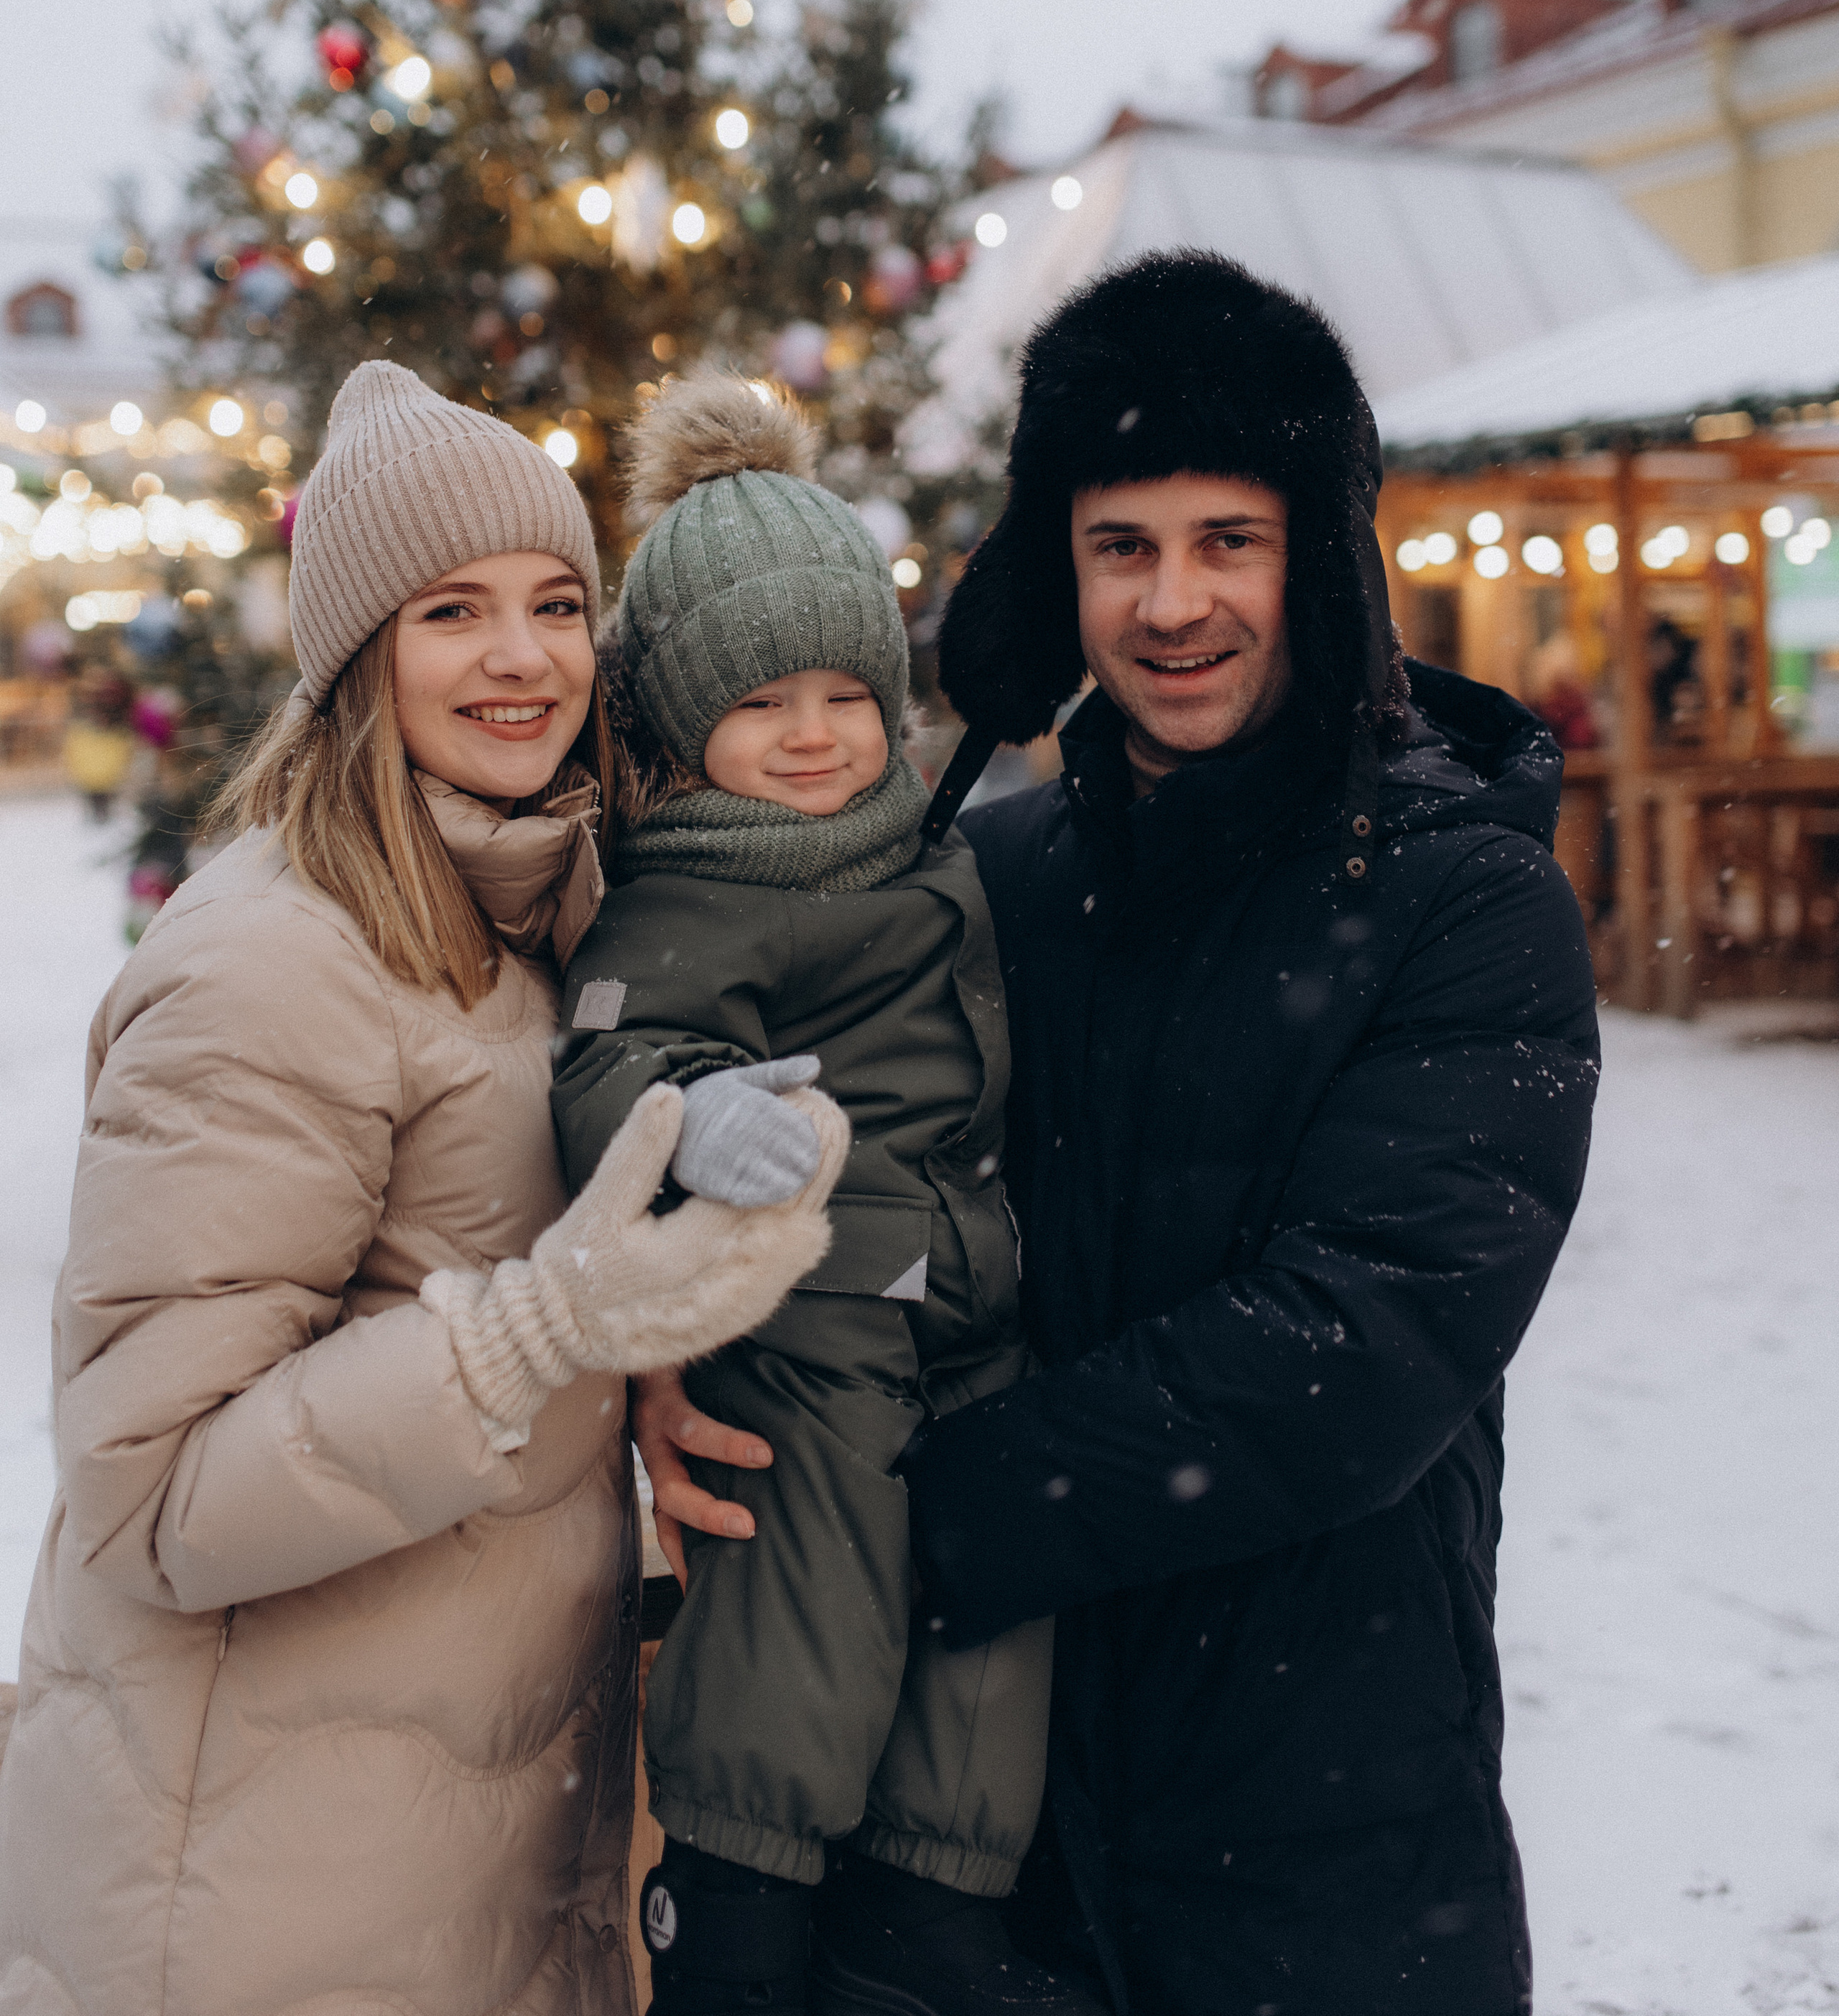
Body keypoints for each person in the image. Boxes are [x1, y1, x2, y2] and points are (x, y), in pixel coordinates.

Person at [646, 255, 1601, 2016]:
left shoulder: (1465, 904)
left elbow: (1360, 1346)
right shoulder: (989, 882)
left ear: (1318, 560)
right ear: (1055, 572)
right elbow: (823, 1190)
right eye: (1119, 547)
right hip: (979, 1834)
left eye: (1227, 540)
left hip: (1320, 1828)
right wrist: (681, 1354)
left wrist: (915, 1517)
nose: (1172, 604)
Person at [0, 361, 846, 2016]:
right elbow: (152, 1491)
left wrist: (637, 1368)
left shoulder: (533, 916)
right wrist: (540, 1329)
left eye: (555, 604)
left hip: (445, 1863)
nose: (522, 656)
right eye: (452, 611)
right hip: (256, 1906)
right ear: (355, 657)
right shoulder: (270, 964)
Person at [550, 374, 1095, 2016]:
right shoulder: (689, 883)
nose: (814, 734)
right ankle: (733, 1902)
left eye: (846, 693)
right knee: (806, 1618)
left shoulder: (925, 843)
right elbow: (607, 1054)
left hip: (968, 1315)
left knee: (990, 1615)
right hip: (807, 1336)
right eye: (762, 701)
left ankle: (934, 1903)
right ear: (678, 726)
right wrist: (694, 1116)